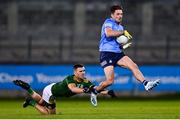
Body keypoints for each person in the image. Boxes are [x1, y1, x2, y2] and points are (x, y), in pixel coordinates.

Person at [95, 5, 160, 92]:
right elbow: (108, 33)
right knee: (110, 81)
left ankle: (146, 83)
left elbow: (117, 43)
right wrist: (123, 32)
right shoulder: (109, 22)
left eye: (121, 14)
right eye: (117, 14)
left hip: (118, 53)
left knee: (133, 66)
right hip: (106, 54)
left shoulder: (120, 27)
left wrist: (123, 46)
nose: (120, 16)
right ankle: (95, 90)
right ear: (112, 15)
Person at [13, 64, 116, 115]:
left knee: (42, 102)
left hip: (53, 90)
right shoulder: (70, 78)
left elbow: (94, 89)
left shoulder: (85, 81)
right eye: (81, 71)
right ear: (75, 72)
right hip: (51, 92)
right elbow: (72, 89)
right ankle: (30, 102)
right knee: (49, 113)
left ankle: (29, 89)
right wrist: (85, 90)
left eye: (84, 71)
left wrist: (107, 92)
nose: (83, 72)